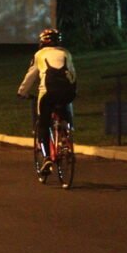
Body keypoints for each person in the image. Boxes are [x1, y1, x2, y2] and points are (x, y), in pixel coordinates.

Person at [17, 28, 77, 174]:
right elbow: (73, 74)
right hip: (67, 92)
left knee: (43, 124)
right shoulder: (66, 53)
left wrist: (22, 92)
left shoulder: (40, 54)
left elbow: (31, 75)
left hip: (48, 93)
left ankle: (47, 157)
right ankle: (67, 132)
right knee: (65, 106)